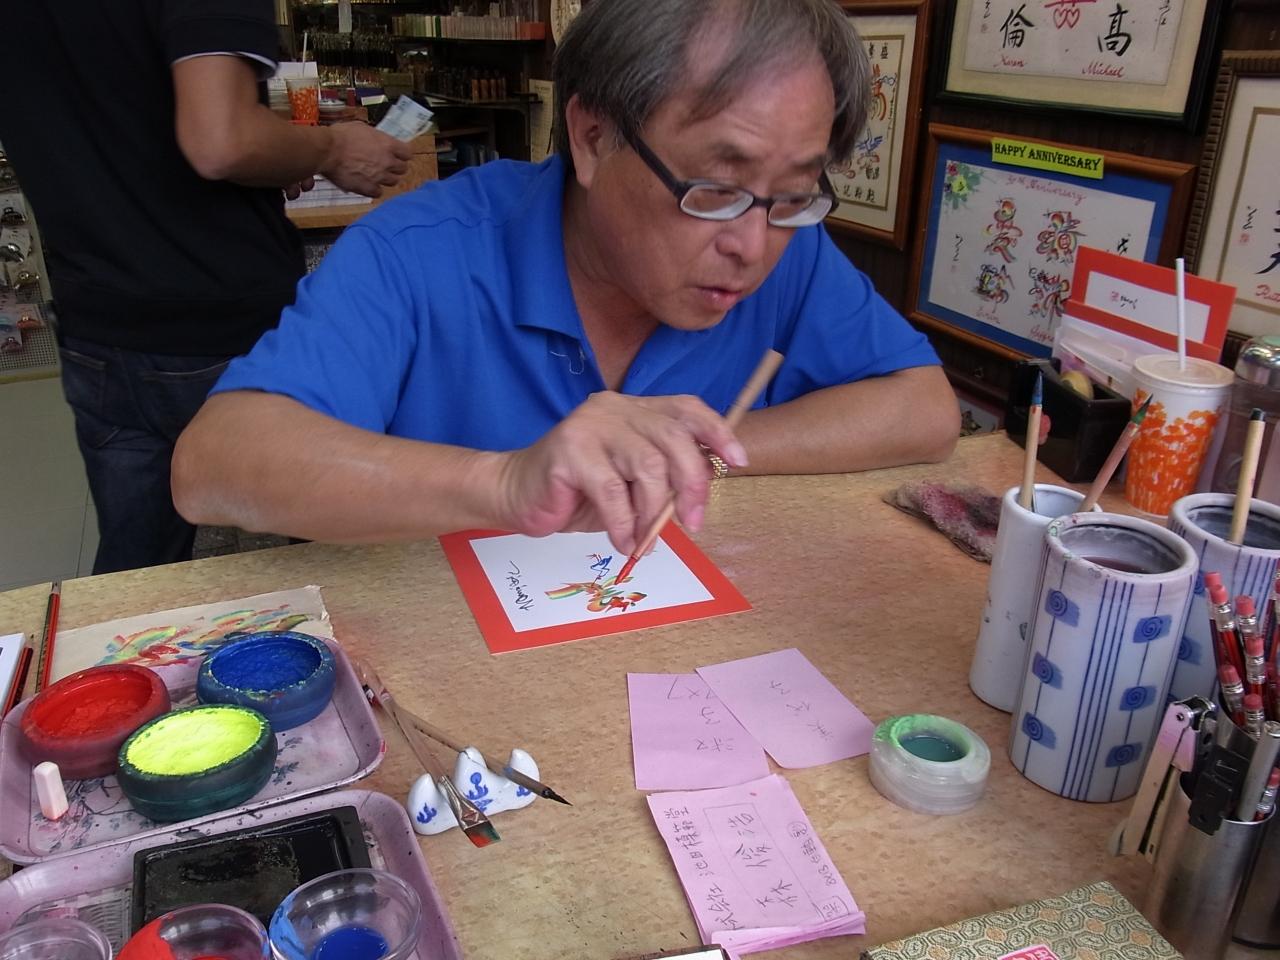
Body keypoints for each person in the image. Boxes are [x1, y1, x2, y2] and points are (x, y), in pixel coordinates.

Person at [173, 0, 960, 556]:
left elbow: (925, 409)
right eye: (714, 188)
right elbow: (213, 465)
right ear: (591, 136)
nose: (752, 246)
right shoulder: (421, 251)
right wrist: (506, 481)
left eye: (793, 192)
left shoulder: (786, 244)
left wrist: (696, 450)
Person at [0, 0, 412, 574]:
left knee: (138, 569)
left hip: (96, 325)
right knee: (329, 555)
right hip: (222, 325)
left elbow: (114, 123)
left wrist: (274, 161)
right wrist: (333, 148)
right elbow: (222, 141)